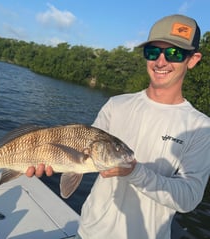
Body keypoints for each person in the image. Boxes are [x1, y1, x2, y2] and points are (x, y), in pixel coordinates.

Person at [26, 14, 210, 239]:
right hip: (89, 231)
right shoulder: (116, 104)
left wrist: (136, 172)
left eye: (174, 53)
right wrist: (48, 159)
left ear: (192, 59)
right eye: (152, 52)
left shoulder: (200, 127)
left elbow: (188, 198)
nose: (160, 61)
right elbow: (82, 155)